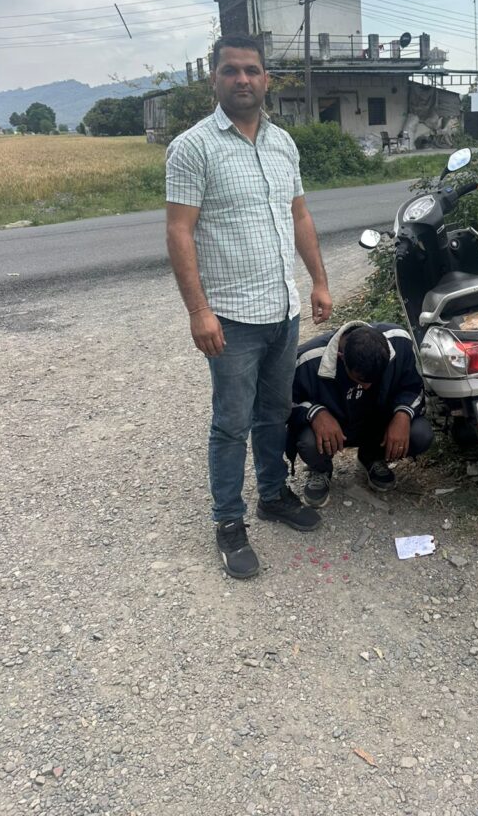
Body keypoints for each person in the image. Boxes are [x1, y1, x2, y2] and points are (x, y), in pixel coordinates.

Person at [166, 34, 332, 580]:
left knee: (273, 413)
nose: (243, 79)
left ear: (266, 78)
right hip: (231, 317)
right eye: (231, 70)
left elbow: (299, 216)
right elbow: (179, 231)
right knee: (231, 423)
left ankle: (272, 495)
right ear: (213, 79)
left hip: (283, 309)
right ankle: (229, 521)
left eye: (252, 70)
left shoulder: (283, 144)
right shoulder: (193, 147)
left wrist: (318, 282)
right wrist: (198, 311)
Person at [287, 321, 433, 508]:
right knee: (308, 442)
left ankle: (372, 456)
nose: (367, 386)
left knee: (420, 434)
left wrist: (403, 414)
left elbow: (414, 386)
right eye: (361, 380)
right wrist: (315, 412)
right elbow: (284, 404)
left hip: (376, 425)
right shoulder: (307, 359)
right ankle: (321, 469)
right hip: (336, 429)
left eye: (375, 379)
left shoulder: (399, 342)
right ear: (341, 358)